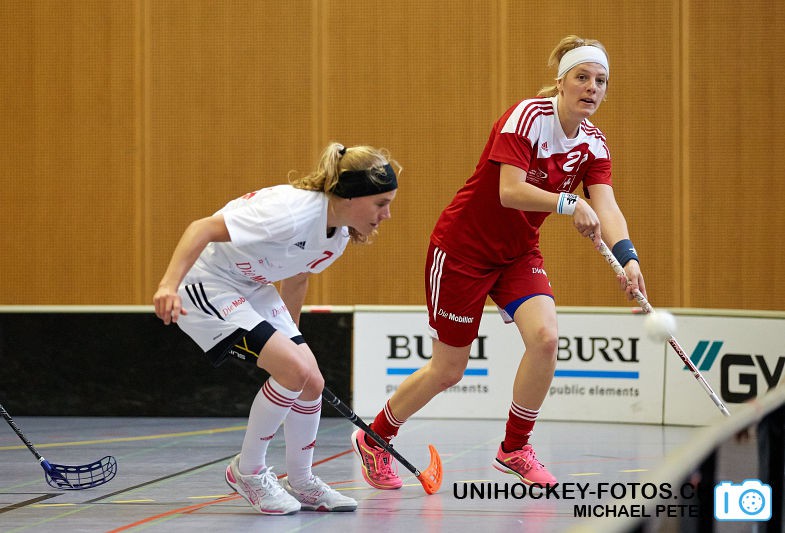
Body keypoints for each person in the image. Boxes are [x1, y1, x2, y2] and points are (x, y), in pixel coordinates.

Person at [352, 35, 646, 489]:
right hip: (462, 251)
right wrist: (568, 204)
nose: (591, 87)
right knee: (448, 370)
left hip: (516, 253)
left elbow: (606, 206)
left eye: (600, 81)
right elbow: (510, 192)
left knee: (546, 338)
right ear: (561, 83)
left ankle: (514, 448)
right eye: (582, 78)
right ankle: (376, 437)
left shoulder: (594, 144)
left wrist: (628, 258)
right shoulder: (526, 116)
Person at [153, 142, 400, 514]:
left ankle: (301, 482)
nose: (387, 215)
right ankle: (248, 472)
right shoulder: (288, 212)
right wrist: (168, 286)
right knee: (294, 370)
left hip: (253, 287)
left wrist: (292, 344)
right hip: (207, 283)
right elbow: (200, 228)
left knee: (311, 378)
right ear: (351, 196)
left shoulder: (338, 235)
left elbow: (297, 275)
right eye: (381, 203)